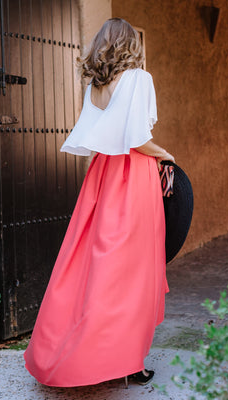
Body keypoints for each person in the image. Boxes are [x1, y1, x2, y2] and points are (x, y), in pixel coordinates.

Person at [23, 18, 174, 388]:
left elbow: (95, 137)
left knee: (93, 266)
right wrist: (167, 155)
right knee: (132, 269)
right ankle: (129, 362)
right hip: (133, 175)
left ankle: (74, 349)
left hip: (103, 174)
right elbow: (137, 139)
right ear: (131, 45)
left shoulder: (96, 85)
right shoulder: (139, 78)